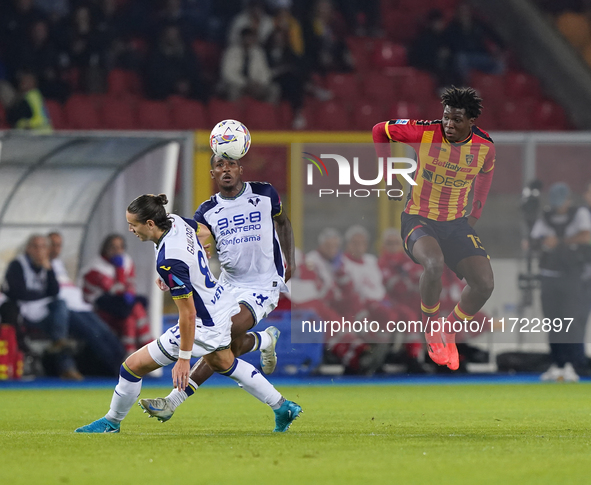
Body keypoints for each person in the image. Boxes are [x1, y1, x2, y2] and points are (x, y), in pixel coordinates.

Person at [75, 194, 301, 433]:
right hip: (221, 304)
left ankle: (112, 421)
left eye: (133, 224)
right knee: (224, 361)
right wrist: (193, 262)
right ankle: (282, 406)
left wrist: (183, 359)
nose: (130, 229)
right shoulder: (175, 221)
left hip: (204, 322)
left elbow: (188, 314)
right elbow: (203, 231)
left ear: (150, 224)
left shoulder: (170, 261)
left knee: (131, 367)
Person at [138, 153, 296, 422]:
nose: (226, 169)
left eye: (231, 164)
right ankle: (265, 340)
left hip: (262, 283)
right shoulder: (206, 211)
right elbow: (191, 243)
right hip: (228, 284)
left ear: (240, 169)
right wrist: (172, 273)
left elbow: (283, 222)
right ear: (212, 174)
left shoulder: (265, 193)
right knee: (222, 346)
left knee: (223, 335)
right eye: (219, 166)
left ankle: (172, 401)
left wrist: (290, 261)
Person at [372, 86, 496, 371]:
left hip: (455, 224)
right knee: (434, 263)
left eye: (456, 120)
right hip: (418, 218)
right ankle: (431, 326)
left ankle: (448, 330)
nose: (449, 125)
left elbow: (486, 176)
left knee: (485, 284)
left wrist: (474, 216)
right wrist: (388, 174)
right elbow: (380, 130)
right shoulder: (425, 132)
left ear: (471, 122)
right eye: (446, 118)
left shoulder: (485, 146)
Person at [531, 182, 591, 382]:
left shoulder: (579, 214)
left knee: (571, 322)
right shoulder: (546, 217)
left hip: (572, 277)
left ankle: (574, 364)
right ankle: (558, 363)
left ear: (569, 199)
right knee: (553, 323)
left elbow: (586, 236)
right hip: (549, 276)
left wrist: (560, 241)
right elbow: (533, 240)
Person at [2, 234, 82, 380]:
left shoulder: (48, 266)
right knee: (61, 326)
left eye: (43, 247)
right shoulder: (18, 264)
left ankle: (66, 363)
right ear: (28, 249)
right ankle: (61, 359)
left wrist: (49, 271)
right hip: (23, 312)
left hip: (41, 311)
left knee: (61, 306)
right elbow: (15, 292)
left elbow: (54, 292)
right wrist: (39, 295)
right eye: (35, 247)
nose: (39, 251)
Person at [48, 231, 125, 376]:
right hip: (68, 309)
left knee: (106, 332)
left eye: (58, 245)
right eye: (52, 244)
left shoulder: (58, 263)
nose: (55, 248)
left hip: (81, 305)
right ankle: (117, 370)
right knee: (94, 333)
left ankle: (125, 366)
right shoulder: (44, 265)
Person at [81, 233, 152, 355]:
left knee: (132, 313)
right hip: (99, 304)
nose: (117, 251)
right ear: (105, 248)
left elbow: (130, 284)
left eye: (120, 247)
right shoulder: (95, 268)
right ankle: (147, 343)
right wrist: (119, 270)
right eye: (113, 247)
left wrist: (129, 292)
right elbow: (114, 290)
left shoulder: (127, 261)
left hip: (118, 303)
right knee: (132, 307)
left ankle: (129, 352)